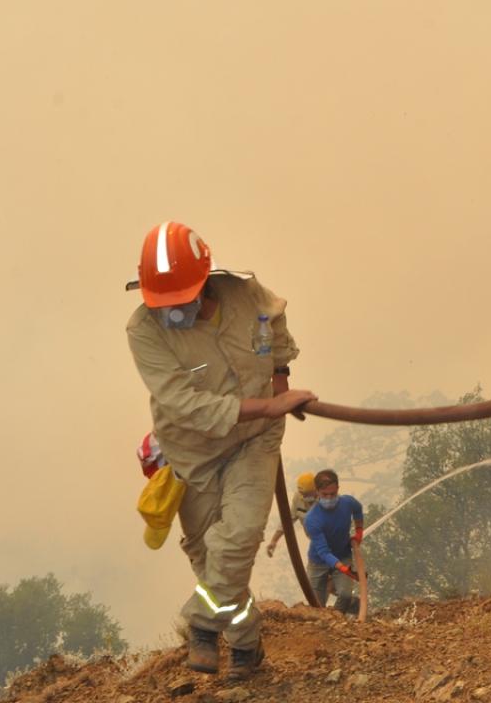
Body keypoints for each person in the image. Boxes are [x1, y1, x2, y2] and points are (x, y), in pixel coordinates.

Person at [126, 221, 317, 680]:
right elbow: (185, 405)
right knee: (212, 562)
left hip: (255, 439)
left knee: (237, 539)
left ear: (205, 282)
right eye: (162, 305)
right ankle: (248, 647)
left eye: (180, 301)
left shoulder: (246, 295)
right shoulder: (142, 330)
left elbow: (278, 329)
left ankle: (202, 626)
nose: (171, 313)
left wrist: (281, 378)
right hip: (192, 454)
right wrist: (270, 403)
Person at [303, 468, 365, 616]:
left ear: (338, 489)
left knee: (344, 594)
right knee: (316, 605)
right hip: (318, 562)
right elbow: (323, 552)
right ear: (317, 492)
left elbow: (358, 509)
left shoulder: (347, 503)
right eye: (325, 495)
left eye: (333, 494)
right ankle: (322, 627)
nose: (329, 498)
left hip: (343, 555)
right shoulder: (312, 519)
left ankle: (338, 620)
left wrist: (359, 532)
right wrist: (344, 569)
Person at [265, 471, 317, 557]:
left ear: (316, 489)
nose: (304, 497)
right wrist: (274, 541)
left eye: (307, 494)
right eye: (302, 494)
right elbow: (287, 521)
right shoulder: (298, 497)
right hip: (315, 543)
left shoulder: (326, 499)